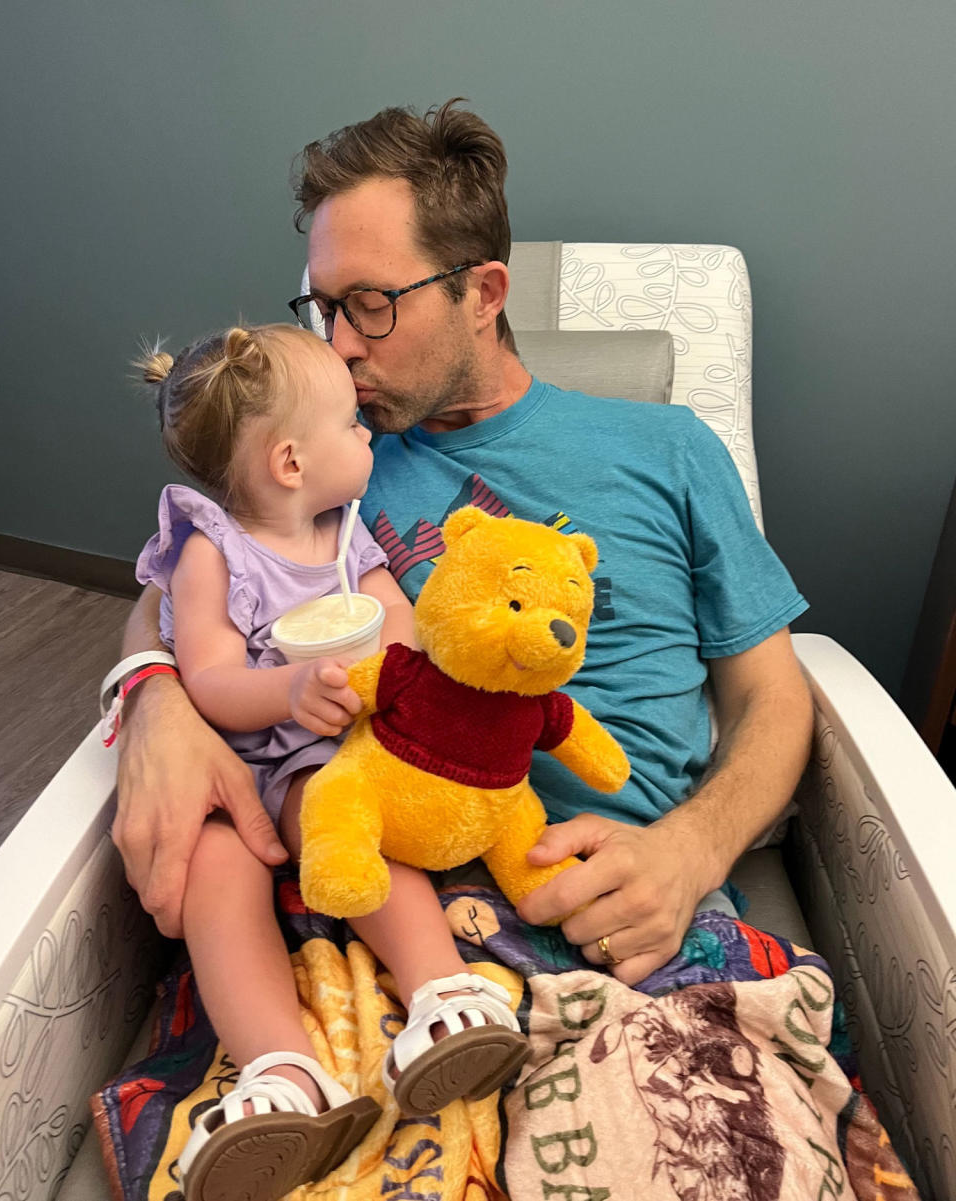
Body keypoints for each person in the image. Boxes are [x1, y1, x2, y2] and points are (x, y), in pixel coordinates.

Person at [114, 99, 813, 999]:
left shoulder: (666, 450)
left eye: (369, 306)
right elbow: (181, 577)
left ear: (482, 293)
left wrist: (692, 847)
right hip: (368, 893)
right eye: (324, 307)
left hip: (601, 912)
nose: (340, 345)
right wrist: (151, 697)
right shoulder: (325, 458)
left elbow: (774, 693)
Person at [131, 323, 529, 1199]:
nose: (368, 434)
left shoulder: (346, 534)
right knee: (214, 866)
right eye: (352, 423)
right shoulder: (214, 555)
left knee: (351, 809)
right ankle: (281, 1072)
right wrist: (288, 691)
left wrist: (394, 670)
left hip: (350, 758)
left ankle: (441, 998)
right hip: (256, 761)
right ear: (287, 463)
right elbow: (207, 674)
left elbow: (399, 619)